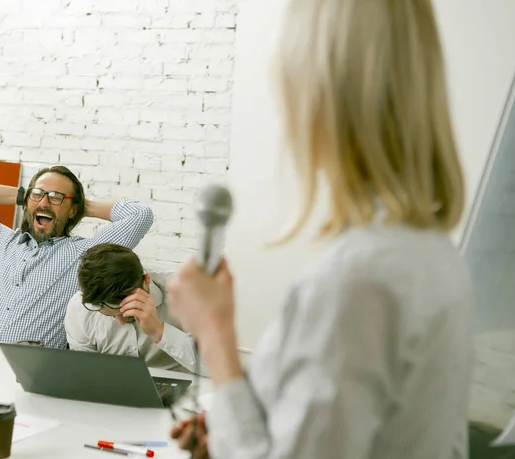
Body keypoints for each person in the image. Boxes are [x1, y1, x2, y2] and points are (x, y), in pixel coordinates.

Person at [168, 1, 474, 458]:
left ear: (319, 92)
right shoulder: (434, 256)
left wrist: (214, 332)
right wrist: (234, 431)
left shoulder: (357, 280)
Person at [0, 165, 153, 348]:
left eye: (55, 197)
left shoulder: (85, 255)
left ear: (73, 211)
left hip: (29, 379)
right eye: (38, 194)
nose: (44, 203)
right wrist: (23, 195)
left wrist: (81, 206)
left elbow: (140, 215)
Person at [64, 243, 204, 374]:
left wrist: (158, 330)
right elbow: (85, 372)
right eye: (112, 315)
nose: (121, 322)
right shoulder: (80, 309)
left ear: (146, 280)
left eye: (128, 312)